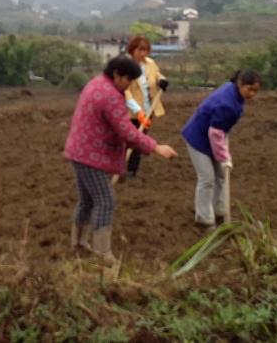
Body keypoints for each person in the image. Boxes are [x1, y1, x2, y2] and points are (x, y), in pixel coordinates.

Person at [63, 56, 178, 265]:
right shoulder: (110, 96)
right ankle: (102, 253)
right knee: (106, 200)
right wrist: (156, 147)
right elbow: (127, 132)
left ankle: (78, 244)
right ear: (116, 74)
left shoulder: (96, 83)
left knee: (87, 200)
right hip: (90, 155)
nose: (129, 84)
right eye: (128, 79)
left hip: (79, 150)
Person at [181, 69, 262, 228]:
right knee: (207, 178)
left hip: (213, 136)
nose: (252, 94)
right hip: (198, 139)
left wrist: (223, 155)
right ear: (240, 84)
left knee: (221, 175)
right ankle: (204, 219)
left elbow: (219, 132)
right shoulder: (227, 104)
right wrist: (224, 157)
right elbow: (215, 133)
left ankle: (219, 210)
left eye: (255, 91)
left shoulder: (234, 91)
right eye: (250, 89)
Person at [122, 35, 169, 179]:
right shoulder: (125, 66)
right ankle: (118, 167)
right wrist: (138, 111)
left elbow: (157, 74)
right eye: (140, 50)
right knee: (126, 141)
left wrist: (161, 80)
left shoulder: (150, 63)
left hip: (149, 110)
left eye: (146, 50)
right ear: (132, 50)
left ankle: (131, 171)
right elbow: (126, 92)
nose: (143, 53)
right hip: (131, 113)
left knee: (139, 142)